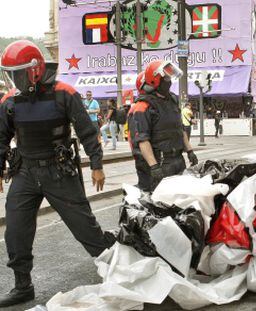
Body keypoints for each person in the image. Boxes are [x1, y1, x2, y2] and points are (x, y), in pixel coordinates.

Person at [0, 40, 115, 307]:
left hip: (59, 171)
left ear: (35, 70)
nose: (13, 78)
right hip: (25, 173)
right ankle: (22, 287)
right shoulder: (9, 101)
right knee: (15, 232)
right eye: (10, 72)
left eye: (18, 72)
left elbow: (88, 132)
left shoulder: (65, 93)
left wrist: (96, 166)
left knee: (86, 228)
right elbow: (1, 138)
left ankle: (117, 268)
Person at [128, 60, 198, 192]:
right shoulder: (142, 107)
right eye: (165, 78)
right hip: (159, 162)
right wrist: (154, 167)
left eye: (169, 77)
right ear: (154, 80)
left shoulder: (172, 101)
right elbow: (142, 140)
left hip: (177, 160)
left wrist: (190, 151)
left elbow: (179, 129)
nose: (169, 81)